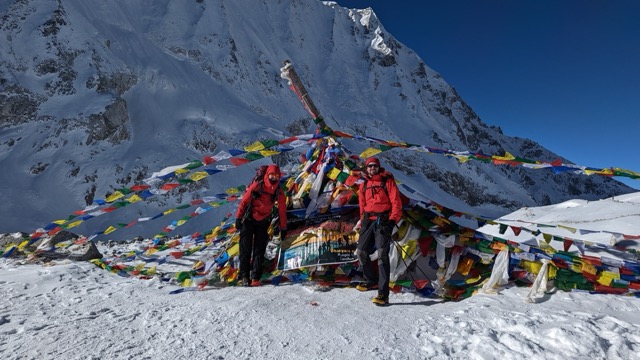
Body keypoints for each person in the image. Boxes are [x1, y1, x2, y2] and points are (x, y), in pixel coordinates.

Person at [354, 157, 403, 305]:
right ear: (366, 168)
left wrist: (392, 221)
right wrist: (363, 221)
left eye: (374, 166)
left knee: (382, 254)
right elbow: (362, 204)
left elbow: (396, 203)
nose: (372, 168)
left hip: (383, 220)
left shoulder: (387, 181)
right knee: (361, 251)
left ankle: (383, 294)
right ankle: (371, 281)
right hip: (368, 220)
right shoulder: (363, 184)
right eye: (369, 166)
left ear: (378, 167)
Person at [235, 165, 287, 287]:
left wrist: (283, 227)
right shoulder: (258, 185)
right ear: (267, 174)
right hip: (248, 218)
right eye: (272, 175)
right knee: (245, 248)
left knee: (259, 249)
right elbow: (244, 201)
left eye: (276, 176)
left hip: (263, 221)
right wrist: (238, 217)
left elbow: (282, 210)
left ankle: (255, 278)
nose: (274, 177)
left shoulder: (278, 191)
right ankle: (244, 276)